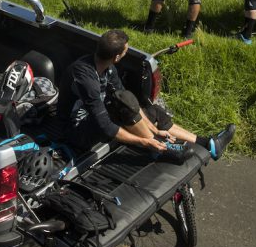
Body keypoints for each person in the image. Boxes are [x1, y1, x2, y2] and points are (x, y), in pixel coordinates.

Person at [57, 29, 235, 163]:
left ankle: (208, 144)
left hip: (97, 119)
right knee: (124, 109)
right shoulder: (84, 76)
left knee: (151, 110)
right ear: (117, 56)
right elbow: (105, 126)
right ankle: (159, 149)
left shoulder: (108, 68)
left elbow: (128, 99)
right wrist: (144, 141)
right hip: (76, 130)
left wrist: (154, 128)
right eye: (126, 51)